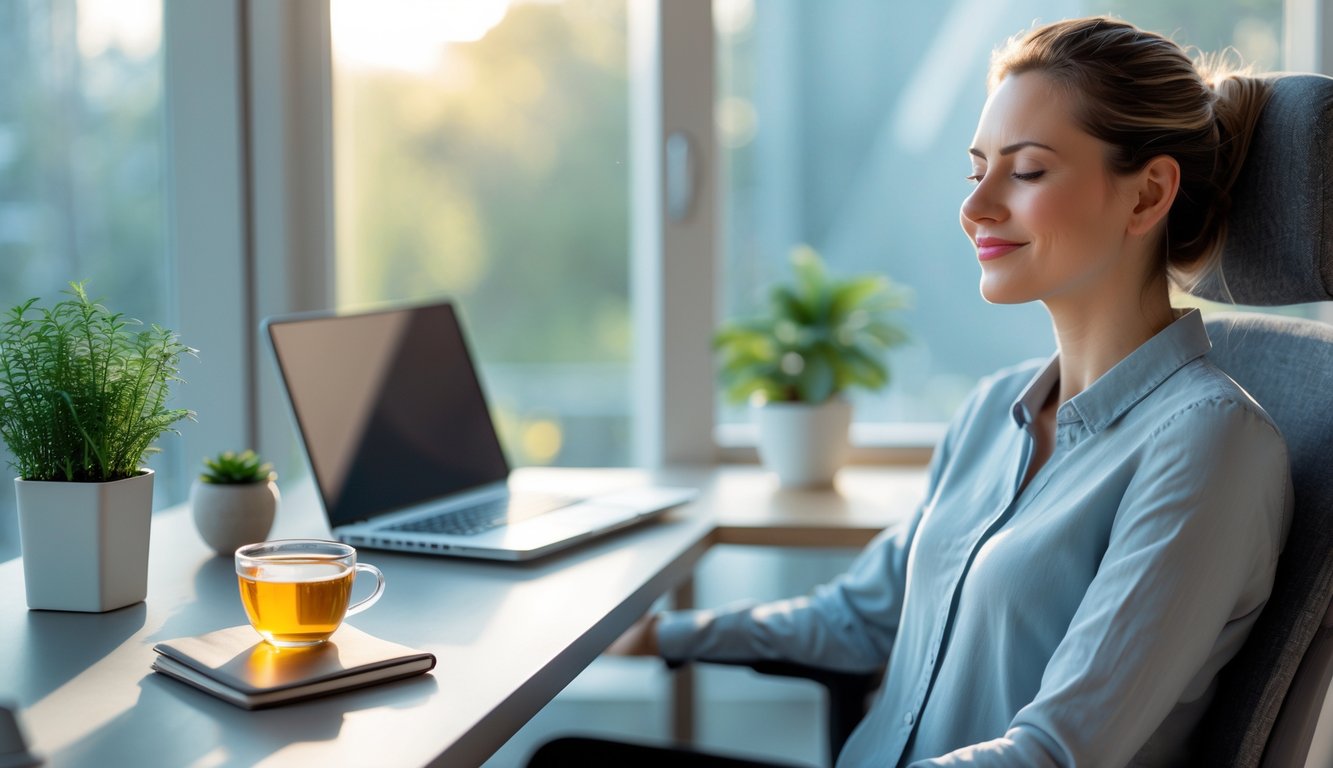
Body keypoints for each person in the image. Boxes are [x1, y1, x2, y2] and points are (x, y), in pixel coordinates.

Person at [531, 15, 1293, 767]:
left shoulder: (1209, 445)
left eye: (1024, 171)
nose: (975, 206)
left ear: (1146, 194)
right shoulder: (994, 415)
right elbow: (860, 619)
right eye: (976, 170)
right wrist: (658, 635)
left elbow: (1053, 756)